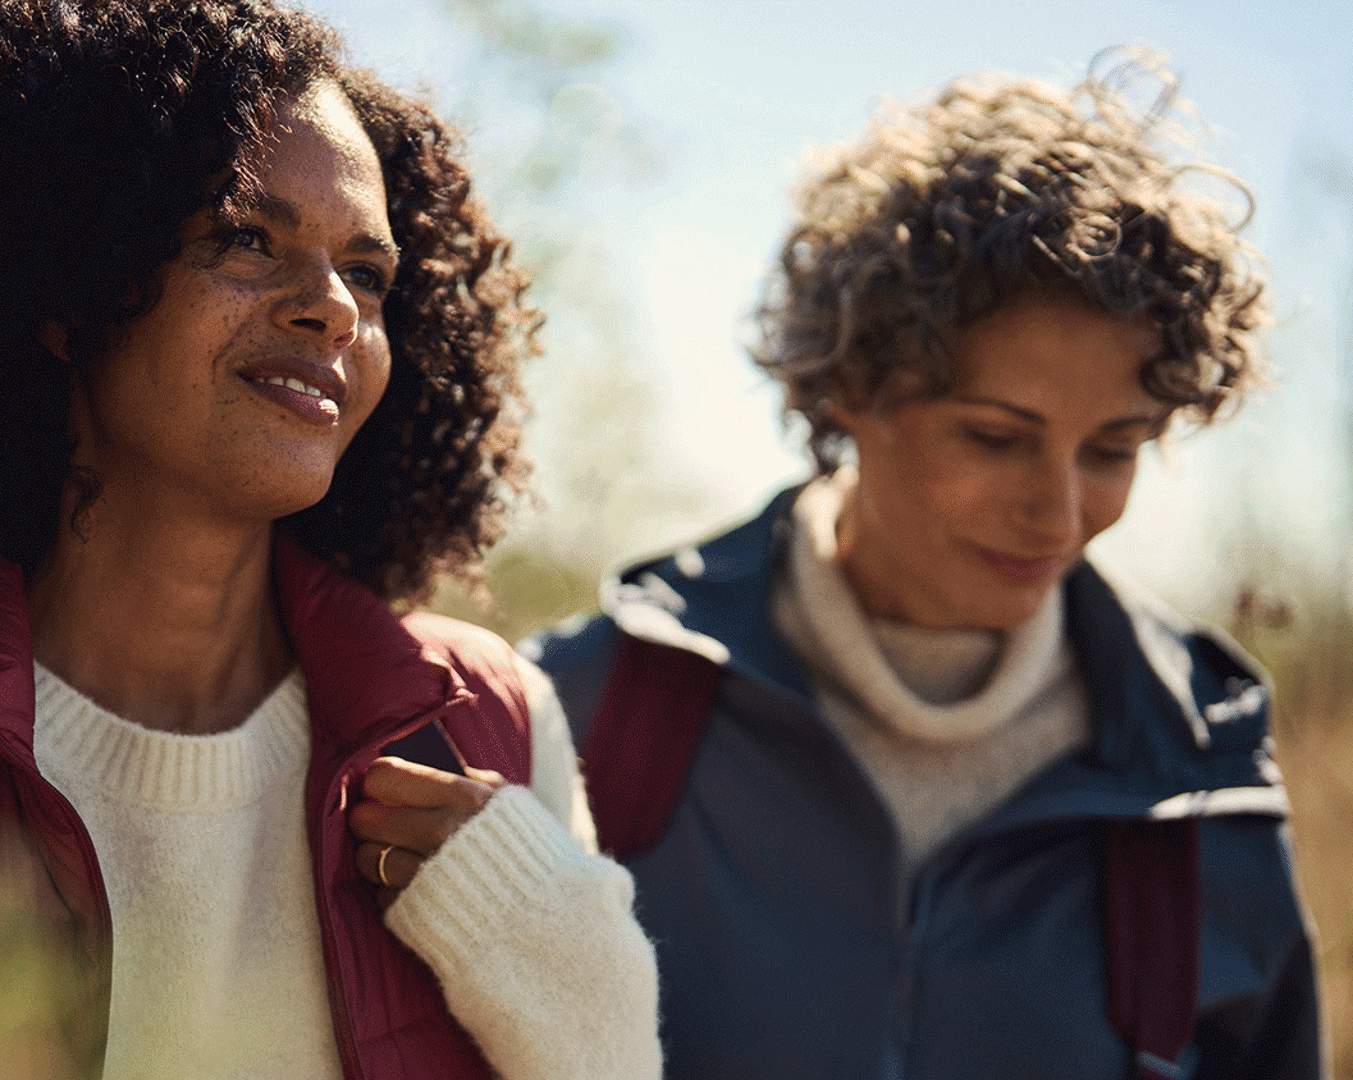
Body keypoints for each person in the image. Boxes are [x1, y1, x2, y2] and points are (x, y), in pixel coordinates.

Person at [0, 2, 660, 1077]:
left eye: (367, 273)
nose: (332, 308)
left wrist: (579, 983)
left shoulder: (489, 724)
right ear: (64, 281)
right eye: (246, 237)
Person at [528, 56, 1320, 1079]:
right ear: (851, 385)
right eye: (995, 437)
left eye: (1114, 449)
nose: (1061, 512)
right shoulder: (592, 708)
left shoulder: (1210, 791)